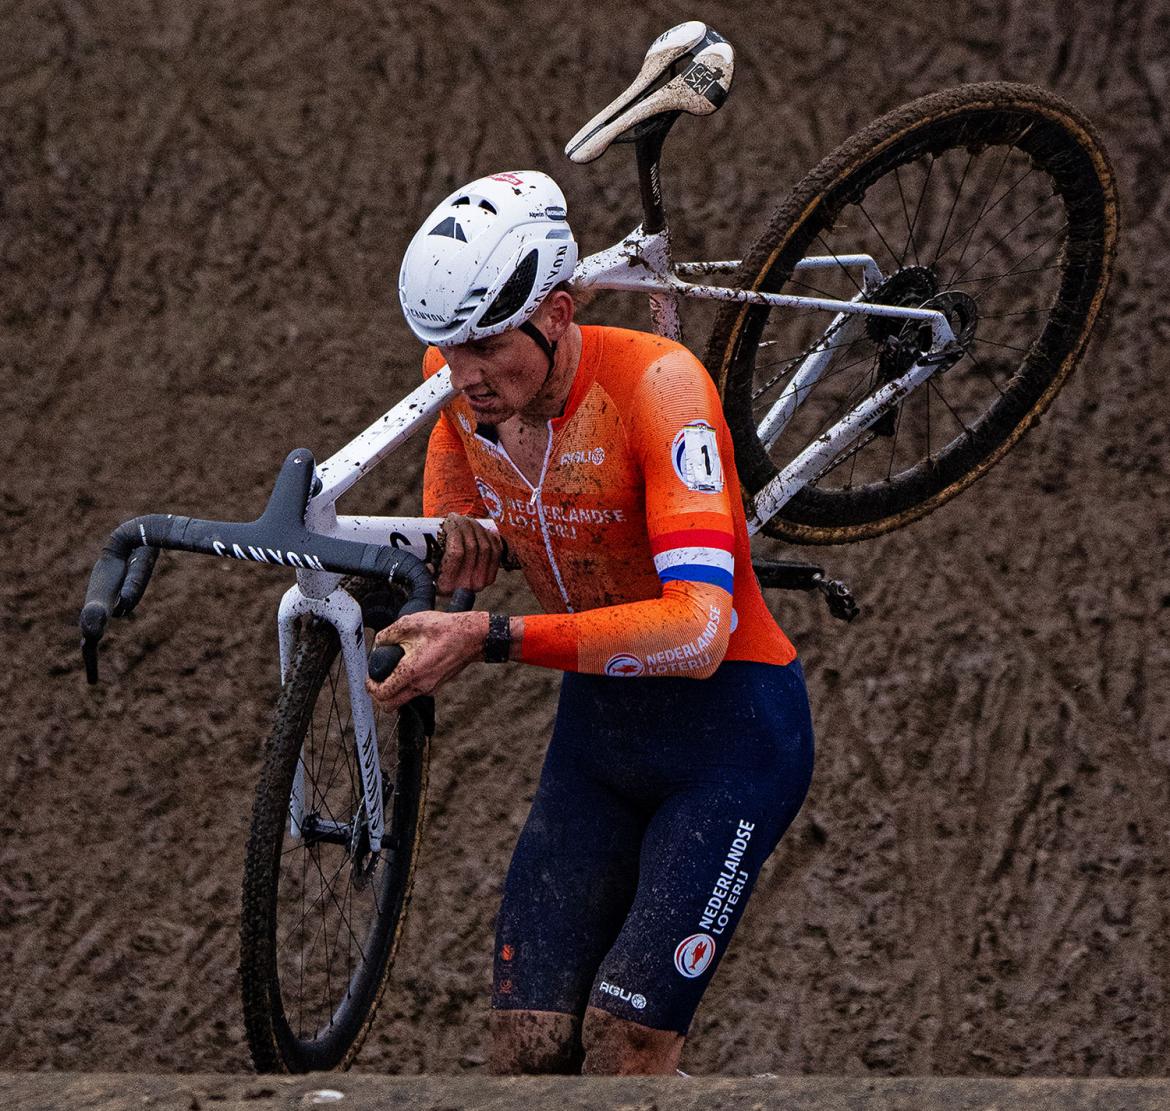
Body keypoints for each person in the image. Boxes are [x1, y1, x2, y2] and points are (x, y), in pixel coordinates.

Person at [367, 169, 814, 1076]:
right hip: (598, 743)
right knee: (522, 1053)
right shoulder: (461, 383)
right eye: (448, 350)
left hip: (729, 740)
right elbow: (458, 498)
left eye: (488, 346)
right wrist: (454, 551)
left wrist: (495, 636)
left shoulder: (660, 387)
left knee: (626, 1048)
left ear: (560, 312)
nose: (466, 375)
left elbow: (697, 631)